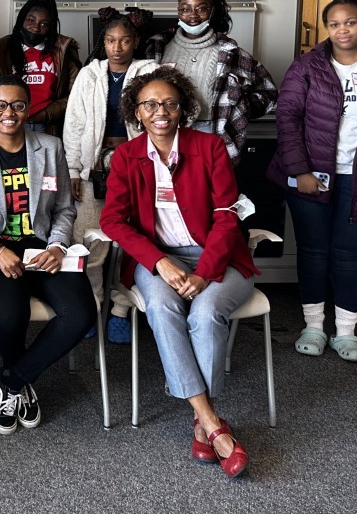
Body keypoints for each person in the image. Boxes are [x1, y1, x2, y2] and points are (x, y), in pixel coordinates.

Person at [99, 66, 257, 478]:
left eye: (169, 103)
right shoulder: (126, 157)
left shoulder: (210, 147)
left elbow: (226, 216)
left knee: (206, 313)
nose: (161, 112)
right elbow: (113, 221)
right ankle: (211, 421)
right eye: (150, 105)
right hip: (157, 257)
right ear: (136, 112)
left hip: (217, 256)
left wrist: (204, 272)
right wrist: (158, 261)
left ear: (183, 108)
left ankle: (205, 424)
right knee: (162, 308)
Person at [0, 76, 96, 435]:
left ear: (27, 110)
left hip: (43, 249)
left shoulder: (50, 147)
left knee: (81, 314)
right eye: (0, 105)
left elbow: (64, 208)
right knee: (10, 315)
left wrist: (57, 245)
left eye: (17, 105)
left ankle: (11, 380)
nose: (8, 112)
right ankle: (20, 381)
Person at [268, 0, 357, 363]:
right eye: (334, 24)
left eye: (350, 22)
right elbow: (287, 120)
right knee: (314, 251)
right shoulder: (306, 67)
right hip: (311, 176)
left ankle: (346, 332)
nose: (342, 30)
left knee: (350, 255)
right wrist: (299, 171)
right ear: (326, 28)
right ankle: (313, 327)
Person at [62, 6, 156, 344]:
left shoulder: (150, 72)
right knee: (88, 241)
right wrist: (73, 169)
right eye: (111, 40)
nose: (117, 47)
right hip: (93, 169)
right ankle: (91, 308)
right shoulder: (89, 75)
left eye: (124, 40)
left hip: (137, 167)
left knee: (133, 240)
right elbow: (74, 124)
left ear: (135, 42)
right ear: (103, 43)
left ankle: (120, 311)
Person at [143, 0, 276, 165]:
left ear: (212, 11)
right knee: (168, 182)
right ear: (178, 11)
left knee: (208, 182)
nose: (193, 15)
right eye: (186, 9)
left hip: (211, 132)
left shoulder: (230, 53)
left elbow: (269, 92)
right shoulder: (157, 49)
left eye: (201, 9)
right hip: (166, 131)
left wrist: (238, 109)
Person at [0, 0, 80, 138]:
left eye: (44, 24)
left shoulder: (63, 51)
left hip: (47, 125)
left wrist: (46, 114)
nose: (36, 27)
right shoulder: (2, 50)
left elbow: (76, 94)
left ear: (51, 27)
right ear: (22, 19)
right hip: (9, 121)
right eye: (31, 20)